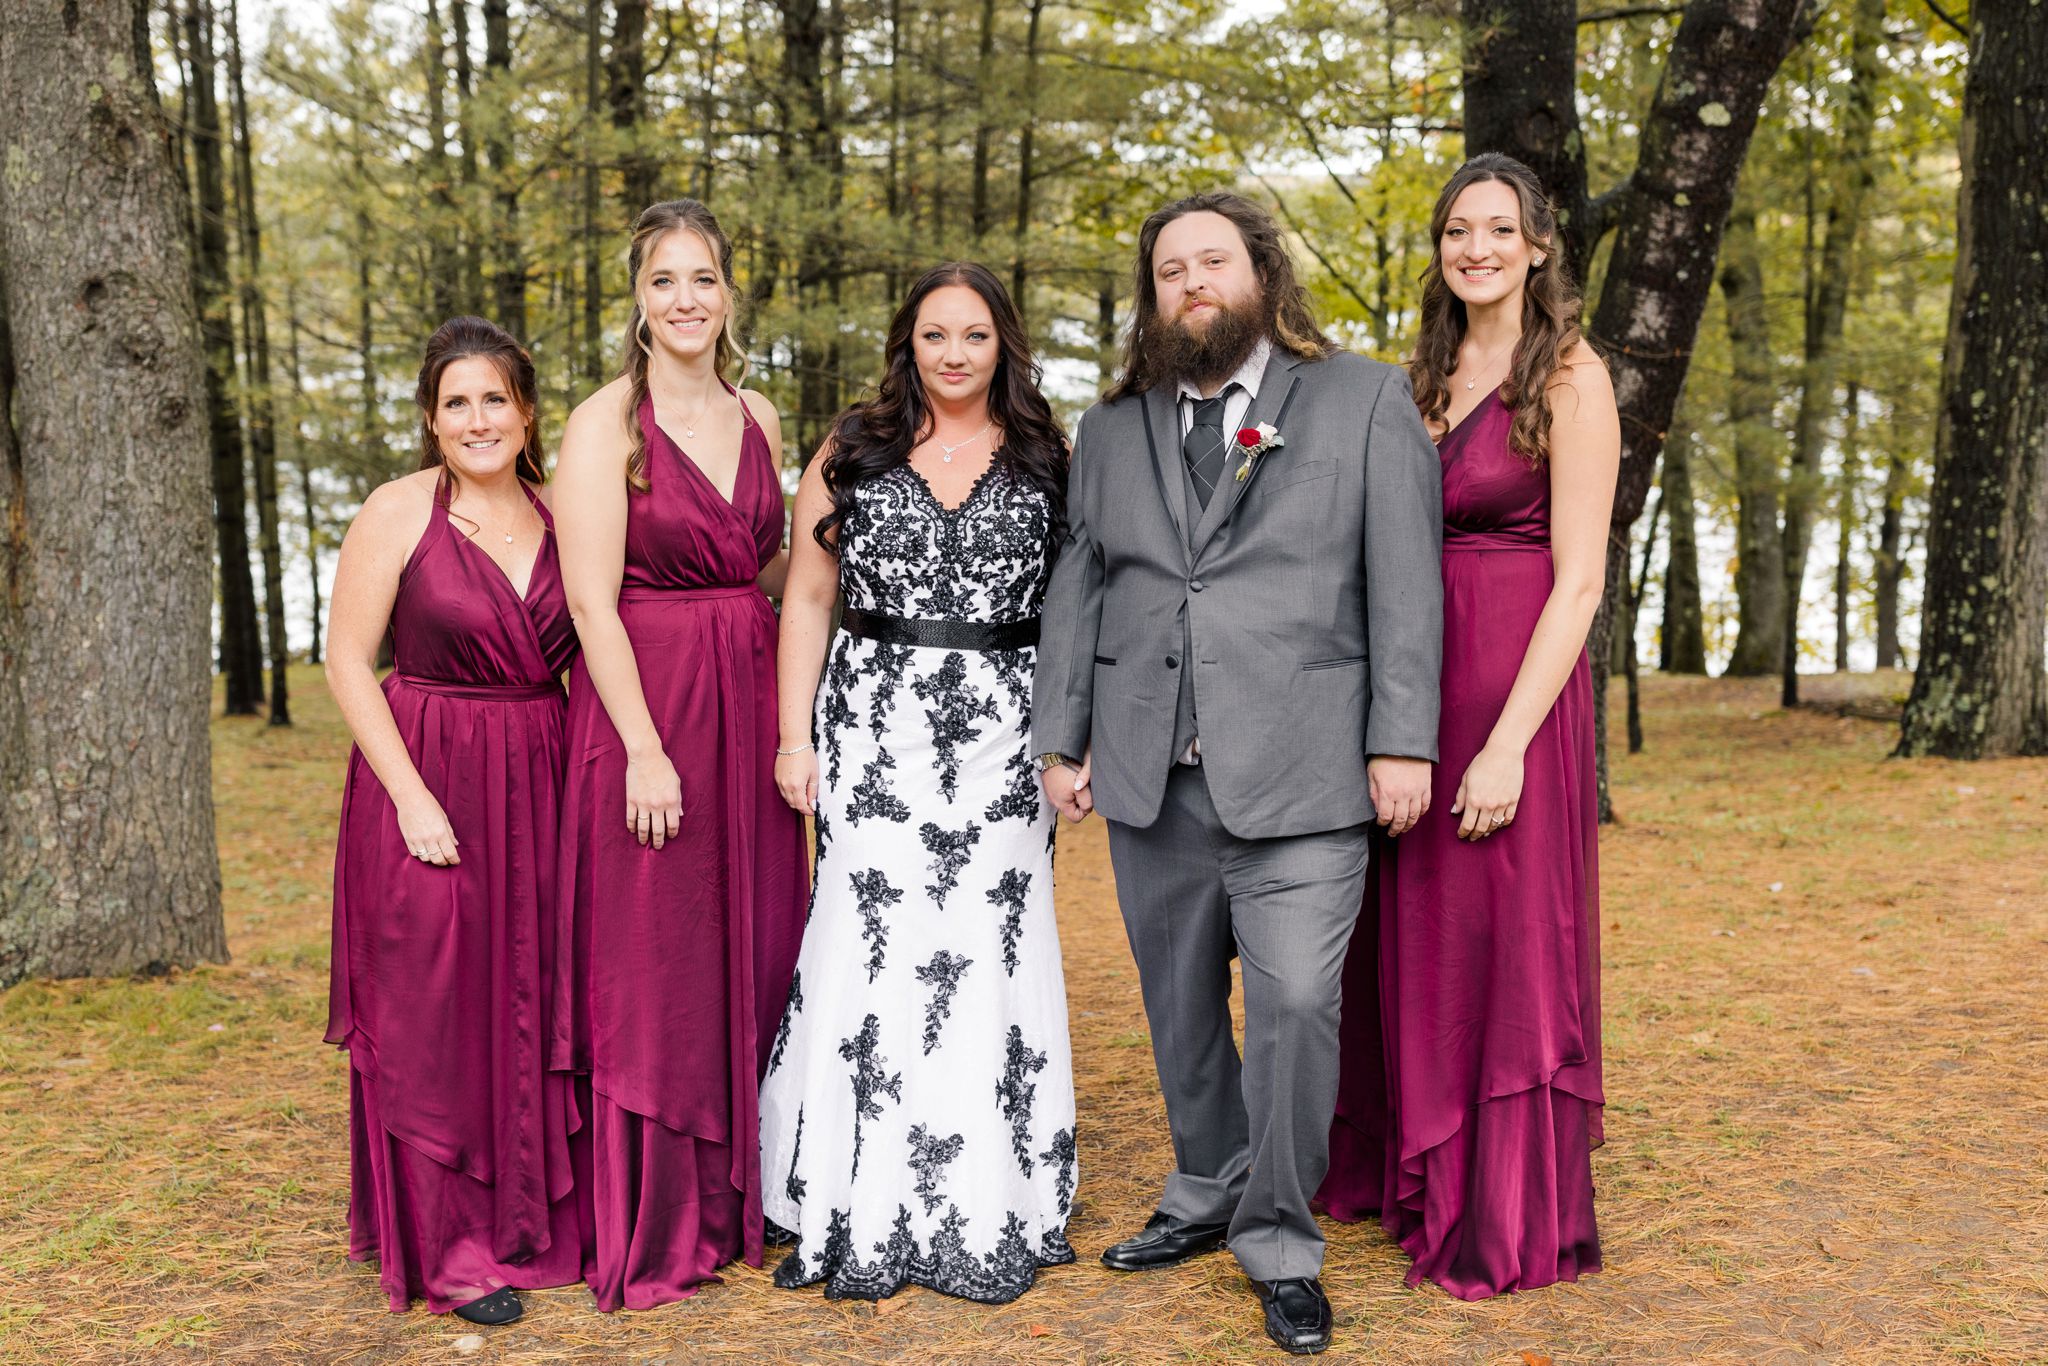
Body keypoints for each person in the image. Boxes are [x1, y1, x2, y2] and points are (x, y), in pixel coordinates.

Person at [1032, 191, 1444, 1354]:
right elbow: (1081, 583)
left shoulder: (1363, 400)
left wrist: (1401, 739)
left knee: (1297, 1007)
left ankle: (1278, 1241)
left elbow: (1405, 583)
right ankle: (1205, 1185)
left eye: (1212, 260)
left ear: (1259, 272)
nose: (1191, 284)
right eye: (1170, 270)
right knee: (1177, 1012)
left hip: (1307, 772)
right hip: (1149, 770)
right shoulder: (1112, 426)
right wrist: (1061, 737)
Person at [1320, 152, 1619, 1300]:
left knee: (1500, 940)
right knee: (1412, 929)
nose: (1475, 249)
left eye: (1498, 230)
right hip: (1411, 686)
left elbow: (1579, 581)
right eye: (1457, 230)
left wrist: (1505, 744)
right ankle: (1410, 1169)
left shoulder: (1571, 376)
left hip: (1510, 692)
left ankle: (1497, 1208)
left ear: (1537, 247)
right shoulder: (1418, 377)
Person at [759, 263, 1078, 1303]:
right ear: (906, 343)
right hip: (871, 731)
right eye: (934, 334)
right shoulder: (850, 449)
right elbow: (809, 599)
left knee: (988, 944)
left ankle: (993, 1187)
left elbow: (1077, 611)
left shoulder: (1047, 457)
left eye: (974, 335)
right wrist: (795, 738)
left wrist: (1067, 739)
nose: (953, 354)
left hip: (1004, 742)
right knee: (871, 941)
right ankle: (853, 1182)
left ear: (1003, 346)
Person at [552, 199, 808, 1311]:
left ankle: (749, 1188)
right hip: (646, 703)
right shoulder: (604, 423)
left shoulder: (760, 414)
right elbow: (588, 602)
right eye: (664, 279)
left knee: (756, 940)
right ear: (638, 298)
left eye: (703, 277)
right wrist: (644, 750)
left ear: (729, 293)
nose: (686, 298)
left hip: (748, 692)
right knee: (656, 954)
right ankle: (660, 1213)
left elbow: (775, 566)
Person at [324, 317, 586, 1324]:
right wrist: (411, 794)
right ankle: (448, 1244)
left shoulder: (565, 513)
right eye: (456, 403)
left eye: (495, 400)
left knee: (525, 989)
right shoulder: (398, 510)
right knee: (433, 1003)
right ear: (431, 420)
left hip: (542, 772)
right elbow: (350, 661)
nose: (478, 420)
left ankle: (526, 1221)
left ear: (527, 412)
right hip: (424, 771)